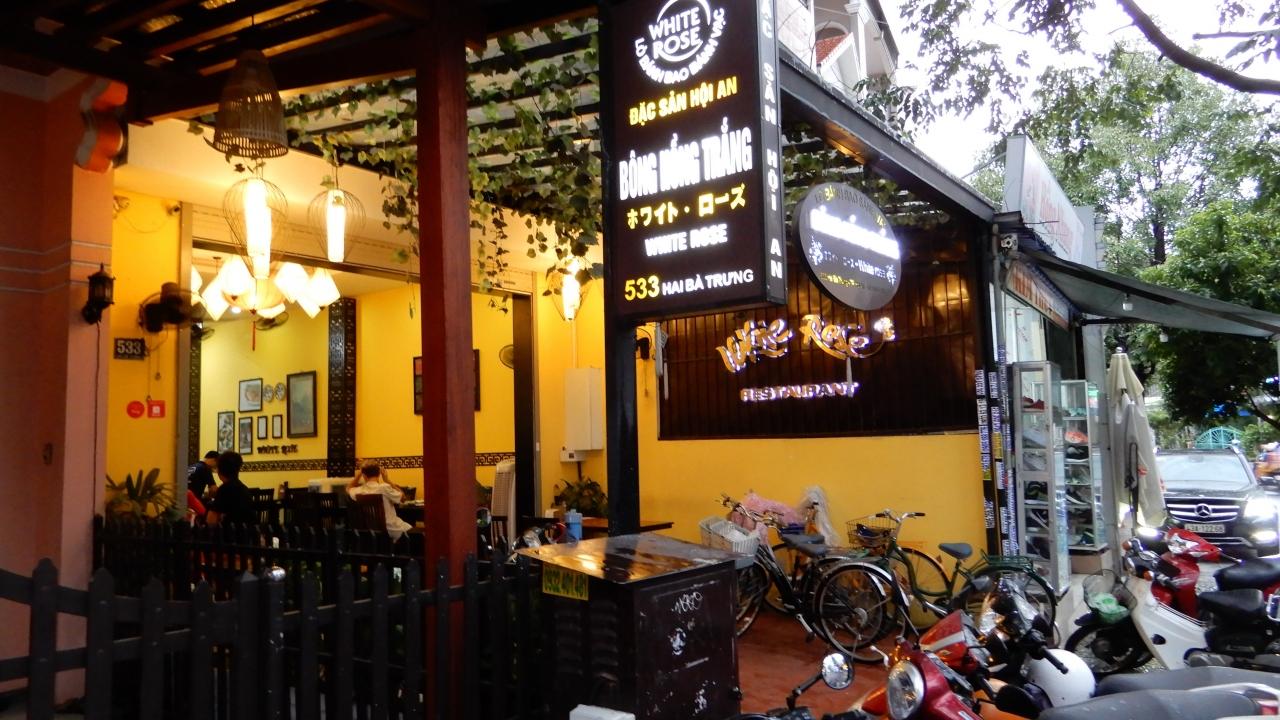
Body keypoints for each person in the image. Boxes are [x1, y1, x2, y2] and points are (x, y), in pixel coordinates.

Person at [347, 460, 413, 540]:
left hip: (370, 531)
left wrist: (359, 473)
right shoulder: (384, 488)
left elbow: (348, 488)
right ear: (379, 473)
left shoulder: (359, 490)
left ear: (364, 475)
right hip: (392, 529)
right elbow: (403, 498)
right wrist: (387, 480)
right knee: (414, 532)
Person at [206, 451, 253, 526]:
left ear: (219, 470)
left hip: (229, 531)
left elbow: (211, 521)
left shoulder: (224, 489)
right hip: (246, 531)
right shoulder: (244, 488)